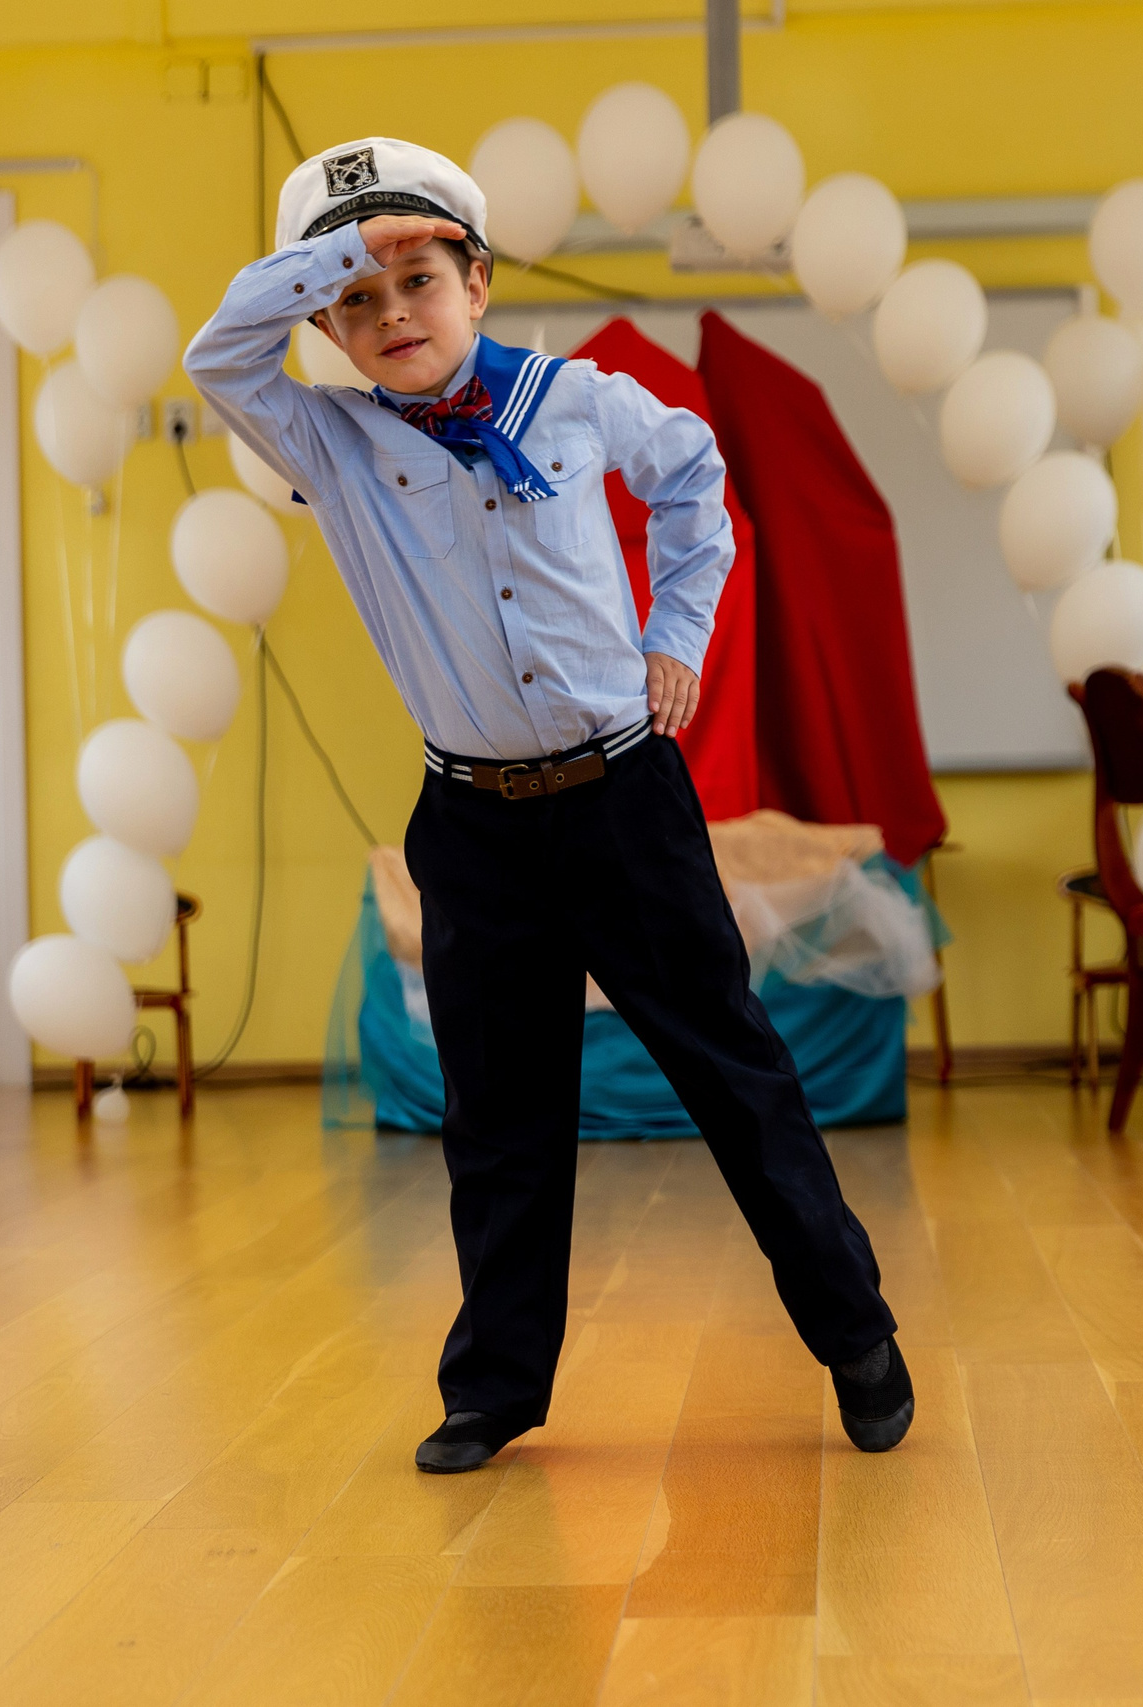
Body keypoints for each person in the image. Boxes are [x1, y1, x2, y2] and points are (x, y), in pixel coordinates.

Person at [187, 138, 908, 1473]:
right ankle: (496, 1386)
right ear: (329, 320)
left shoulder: (578, 402)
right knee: (499, 1115)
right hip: (473, 826)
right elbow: (219, 358)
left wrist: (680, 630)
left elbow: (699, 481)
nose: (391, 313)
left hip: (625, 799)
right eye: (358, 297)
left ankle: (855, 1329)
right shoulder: (330, 442)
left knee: (737, 1079)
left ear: (481, 281)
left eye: (419, 277)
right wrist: (343, 244)